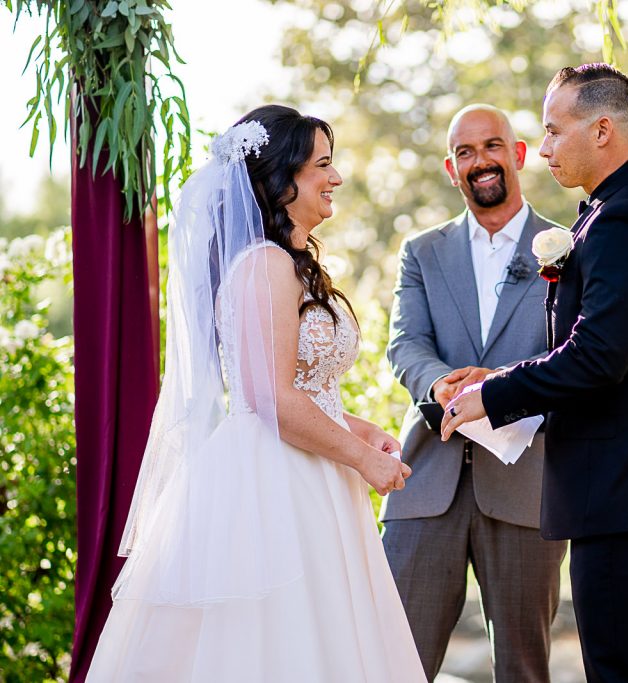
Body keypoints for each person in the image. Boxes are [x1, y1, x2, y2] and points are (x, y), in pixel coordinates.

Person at [86, 105, 426, 682]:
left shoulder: (284, 264)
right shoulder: (266, 264)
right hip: (274, 485)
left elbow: (302, 390)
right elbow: (270, 398)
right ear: (281, 178)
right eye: (322, 164)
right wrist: (364, 460)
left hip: (307, 471)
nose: (335, 178)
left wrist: (362, 429)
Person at [441, 65, 628, 682]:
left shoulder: (626, 218)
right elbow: (604, 350)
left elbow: (597, 357)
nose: (546, 149)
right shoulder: (624, 210)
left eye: (555, 131)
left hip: (623, 496)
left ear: (604, 129)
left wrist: (493, 394)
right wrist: (506, 373)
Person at [382, 104, 568, 682]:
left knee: (524, 669)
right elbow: (405, 343)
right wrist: (439, 383)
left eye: (492, 146)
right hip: (425, 484)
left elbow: (577, 356)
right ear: (450, 167)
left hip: (524, 489)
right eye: (465, 152)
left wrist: (502, 388)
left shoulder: (567, 246)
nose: (479, 161)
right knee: (394, 663)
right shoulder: (422, 251)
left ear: (517, 155)